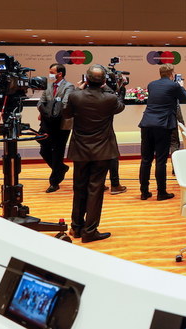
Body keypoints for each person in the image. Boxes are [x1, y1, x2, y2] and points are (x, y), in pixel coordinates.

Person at [63, 64, 124, 243]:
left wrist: (79, 88)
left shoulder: (75, 95)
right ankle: (90, 231)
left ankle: (76, 227)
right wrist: (109, 87)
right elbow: (120, 105)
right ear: (104, 81)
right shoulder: (109, 99)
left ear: (86, 80)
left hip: (80, 148)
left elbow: (66, 113)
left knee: (79, 188)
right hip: (102, 150)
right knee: (95, 190)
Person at [138, 63, 186, 201]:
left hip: (147, 123)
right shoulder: (174, 85)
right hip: (163, 125)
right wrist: (180, 85)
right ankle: (161, 192)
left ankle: (144, 192)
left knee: (146, 159)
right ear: (172, 74)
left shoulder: (151, 84)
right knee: (160, 160)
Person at [38, 63, 75, 194]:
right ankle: (61, 168)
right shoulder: (48, 86)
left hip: (62, 125)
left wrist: (47, 108)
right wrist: (49, 109)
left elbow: (63, 105)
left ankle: (54, 182)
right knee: (44, 150)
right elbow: (40, 103)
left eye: (52, 71)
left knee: (57, 152)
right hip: (48, 124)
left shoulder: (69, 86)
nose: (50, 74)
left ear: (60, 74)